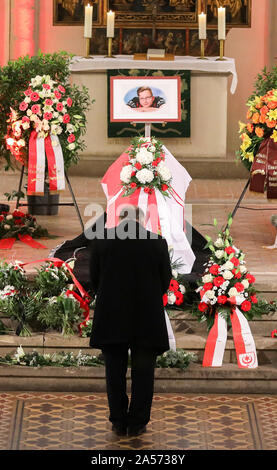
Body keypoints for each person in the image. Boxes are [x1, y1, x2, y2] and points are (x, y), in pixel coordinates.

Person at [89, 205, 172, 437]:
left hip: (112, 317)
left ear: (120, 220)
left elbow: (94, 280)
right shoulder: (157, 242)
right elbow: (165, 280)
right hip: (146, 317)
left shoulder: (102, 241)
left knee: (114, 372)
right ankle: (137, 422)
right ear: (142, 222)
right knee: (144, 372)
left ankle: (118, 421)